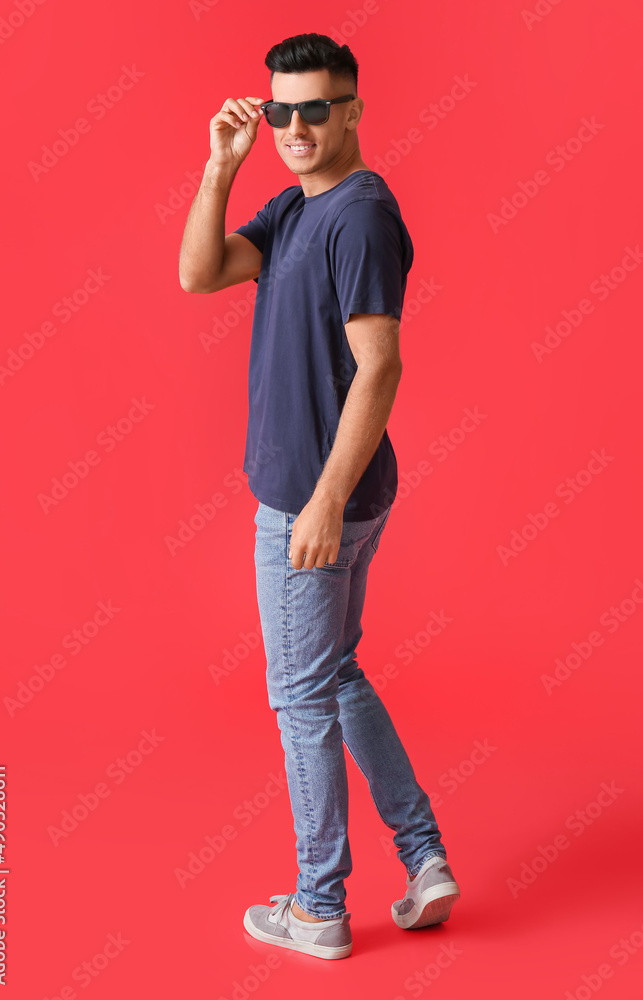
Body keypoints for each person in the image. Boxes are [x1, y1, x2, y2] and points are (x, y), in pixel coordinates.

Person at [179, 31, 460, 961]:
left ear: (352, 110)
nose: (294, 127)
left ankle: (317, 906)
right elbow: (201, 272)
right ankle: (422, 857)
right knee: (332, 673)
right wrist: (221, 166)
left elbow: (380, 366)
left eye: (313, 109)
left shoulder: (360, 215)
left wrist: (325, 501)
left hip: (315, 502)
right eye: (278, 111)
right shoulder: (298, 206)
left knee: (299, 697)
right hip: (323, 495)